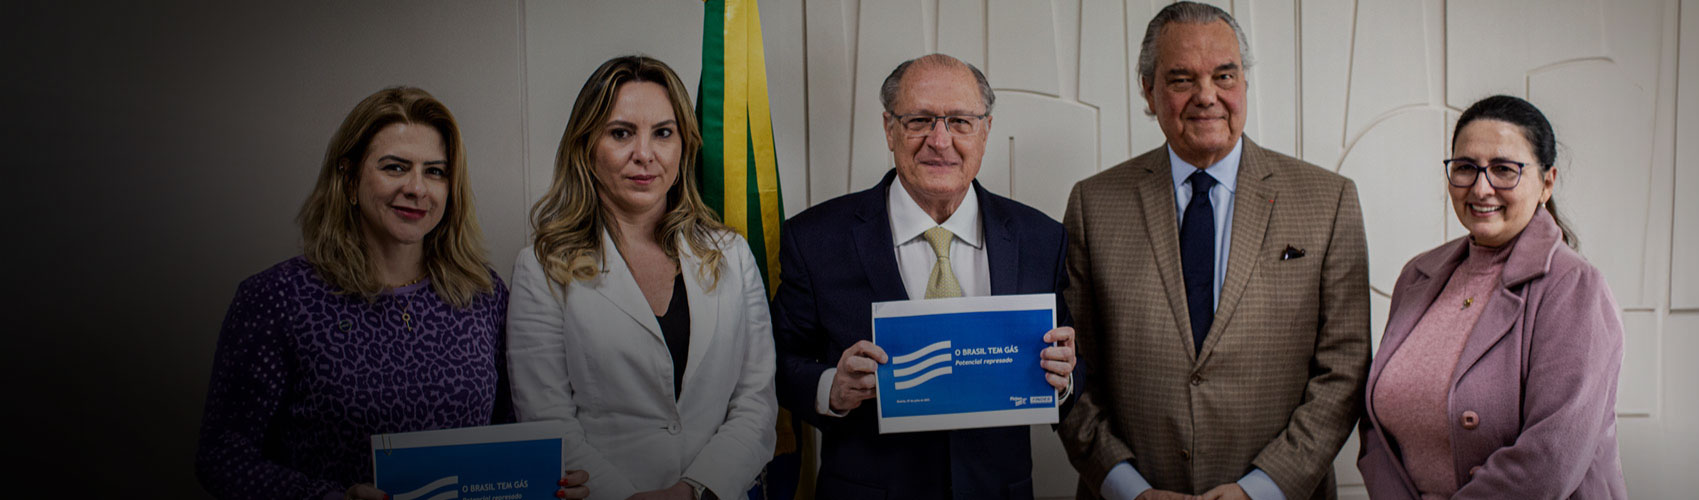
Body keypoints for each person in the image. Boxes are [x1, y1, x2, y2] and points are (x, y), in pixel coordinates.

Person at [196, 87, 590, 500]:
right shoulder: (277, 298)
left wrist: (553, 481)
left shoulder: (483, 295)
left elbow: (512, 433)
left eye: (435, 171)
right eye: (395, 167)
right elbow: (223, 456)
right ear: (348, 178)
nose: (417, 188)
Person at [1056, 2, 1371, 499]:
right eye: (1181, 80)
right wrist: (1127, 487)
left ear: (1244, 81)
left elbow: (1346, 368)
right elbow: (1070, 369)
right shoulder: (1094, 204)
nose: (1207, 97)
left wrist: (1263, 488)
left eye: (1224, 75)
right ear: (1149, 90)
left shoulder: (1328, 199)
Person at [771, 53, 1078, 500]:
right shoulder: (815, 238)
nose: (939, 140)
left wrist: (1064, 377)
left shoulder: (1040, 238)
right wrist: (830, 389)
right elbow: (778, 362)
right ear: (889, 128)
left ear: (986, 131)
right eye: (919, 120)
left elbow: (1072, 363)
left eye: (959, 121)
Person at [507, 55, 777, 500]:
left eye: (663, 133)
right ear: (586, 146)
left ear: (684, 145)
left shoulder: (732, 255)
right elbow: (546, 418)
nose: (645, 155)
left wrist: (693, 491)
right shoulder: (542, 267)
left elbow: (755, 402)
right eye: (620, 133)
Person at [1356, 95, 1626, 499]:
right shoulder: (1417, 276)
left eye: (1504, 169)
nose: (1481, 188)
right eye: (1466, 168)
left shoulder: (1574, 287)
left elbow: (1550, 459)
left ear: (1546, 183)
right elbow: (1376, 424)